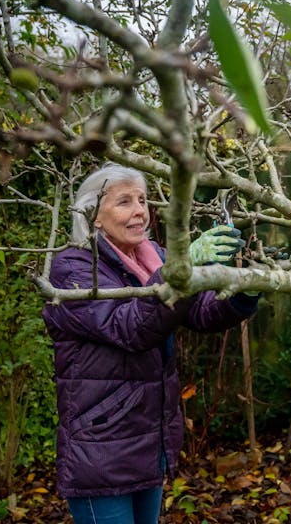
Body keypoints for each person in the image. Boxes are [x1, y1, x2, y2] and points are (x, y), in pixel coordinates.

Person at [42, 163, 258, 524]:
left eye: (142, 200)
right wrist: (181, 264)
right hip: (101, 448)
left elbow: (200, 313)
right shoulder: (74, 269)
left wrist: (245, 292)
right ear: (94, 215)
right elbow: (130, 328)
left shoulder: (152, 256)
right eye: (124, 201)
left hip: (148, 440)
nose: (140, 210)